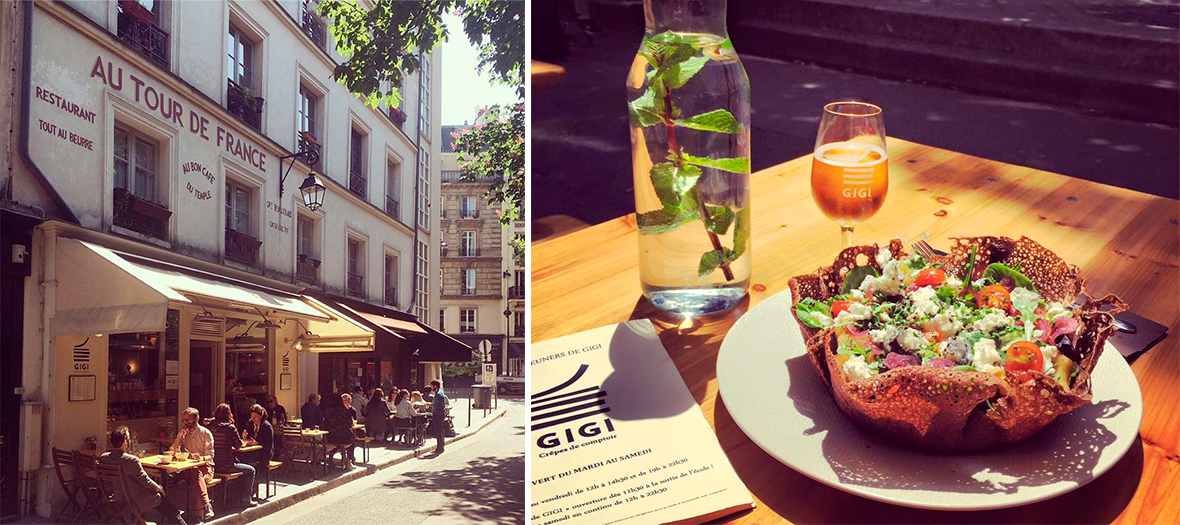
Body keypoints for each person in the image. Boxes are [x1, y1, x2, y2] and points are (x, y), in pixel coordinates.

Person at [100, 426, 187, 524]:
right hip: (135, 498)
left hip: (119, 497)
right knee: (171, 509)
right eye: (128, 439)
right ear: (125, 441)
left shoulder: (104, 458)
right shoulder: (131, 460)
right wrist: (159, 488)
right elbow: (145, 481)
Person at [209, 403, 257, 508]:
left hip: (213, 464)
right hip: (227, 465)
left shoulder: (210, 426)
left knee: (241, 466)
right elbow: (238, 445)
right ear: (229, 414)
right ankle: (246, 499)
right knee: (251, 470)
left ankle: (230, 496)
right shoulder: (230, 428)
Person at [170, 407, 215, 521]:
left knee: (196, 476)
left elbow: (211, 455)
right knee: (190, 474)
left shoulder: (205, 433)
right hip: (188, 467)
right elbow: (172, 451)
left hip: (206, 466)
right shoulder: (184, 434)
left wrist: (202, 458)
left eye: (188, 420)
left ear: (197, 418)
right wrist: (179, 437)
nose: (186, 423)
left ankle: (198, 515)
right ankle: (206, 507)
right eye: (184, 420)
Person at [322, 394, 357, 467]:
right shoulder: (344, 410)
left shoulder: (329, 411)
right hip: (344, 437)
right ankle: (350, 459)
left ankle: (331, 455)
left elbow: (325, 424)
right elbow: (350, 423)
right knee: (351, 440)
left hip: (330, 437)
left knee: (336, 442)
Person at [240, 404, 274, 479]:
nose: (253, 419)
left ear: (260, 416)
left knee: (247, 460)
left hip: (264, 452)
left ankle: (252, 480)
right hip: (252, 450)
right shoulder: (250, 423)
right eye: (252, 417)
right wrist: (245, 436)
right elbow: (248, 436)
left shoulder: (267, 426)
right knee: (241, 458)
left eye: (255, 417)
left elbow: (269, 444)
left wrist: (258, 443)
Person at [429, 380, 448, 454]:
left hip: (438, 414)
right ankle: (440, 446)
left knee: (439, 430)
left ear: (435, 386)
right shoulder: (438, 393)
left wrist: (431, 405)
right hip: (439, 413)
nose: (431, 388)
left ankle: (440, 447)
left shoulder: (439, 394)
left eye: (432, 386)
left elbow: (439, 405)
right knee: (439, 430)